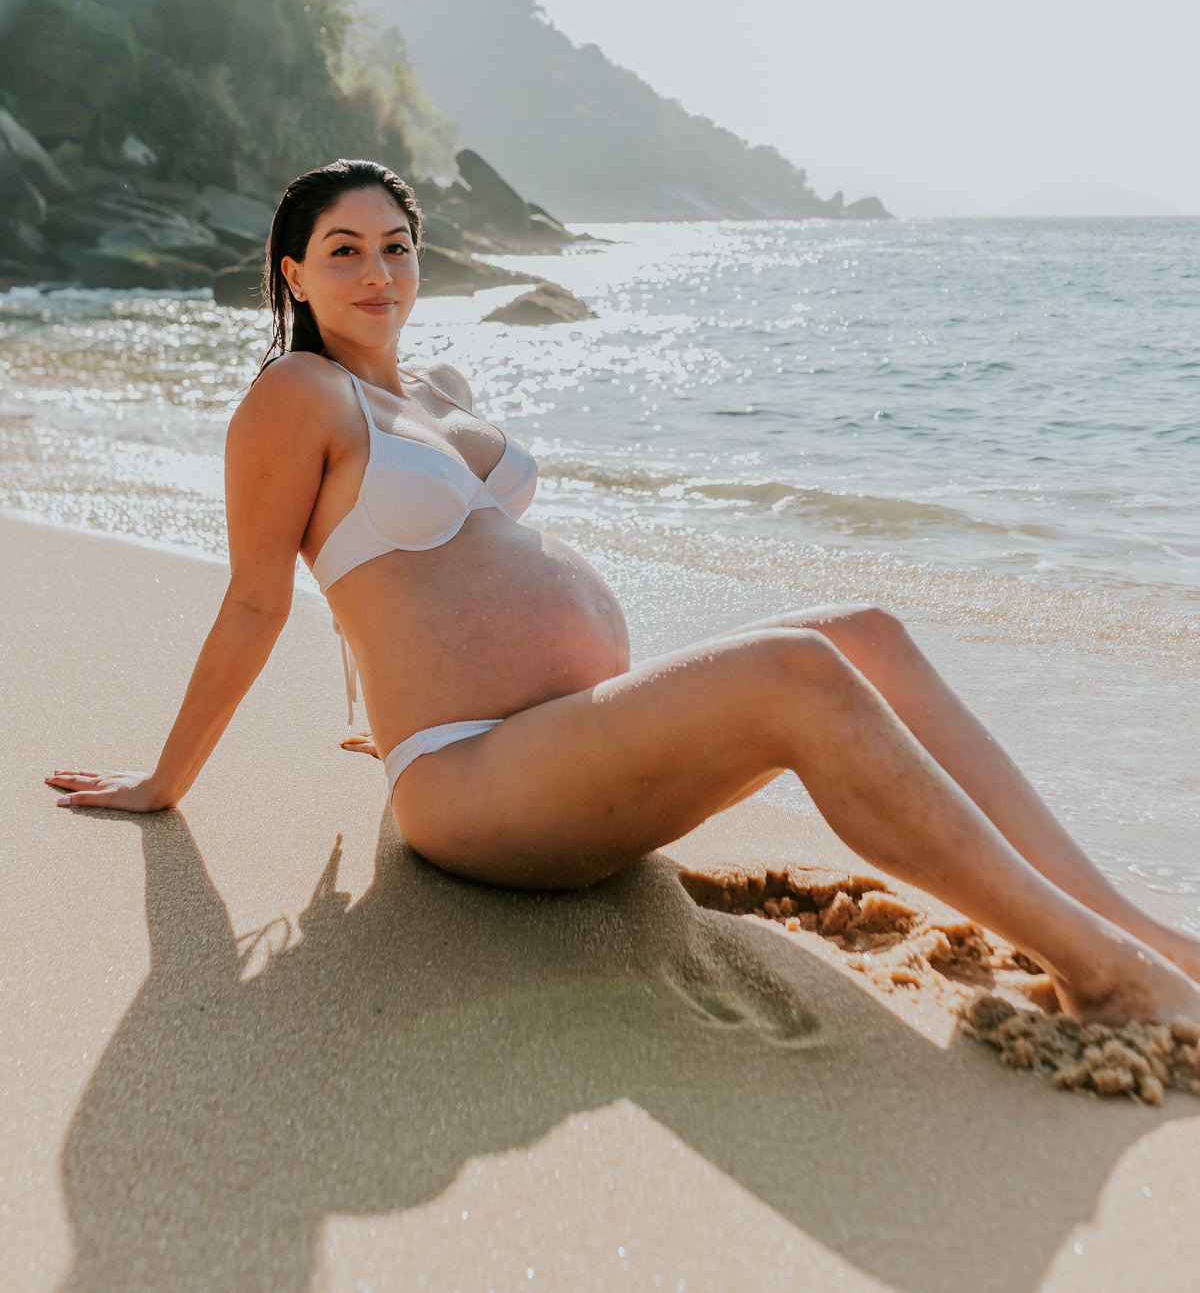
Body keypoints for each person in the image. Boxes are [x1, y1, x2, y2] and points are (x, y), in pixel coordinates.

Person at [47, 158, 1200, 1028]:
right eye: (342, 250)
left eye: (396, 246)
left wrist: (369, 699)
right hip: (472, 774)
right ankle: (1103, 972)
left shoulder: (440, 383)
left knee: (868, 635)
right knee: (798, 673)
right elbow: (261, 598)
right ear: (292, 272)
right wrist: (167, 779)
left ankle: (1138, 928)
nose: (377, 271)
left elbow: (413, 583)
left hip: (563, 746)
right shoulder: (296, 395)